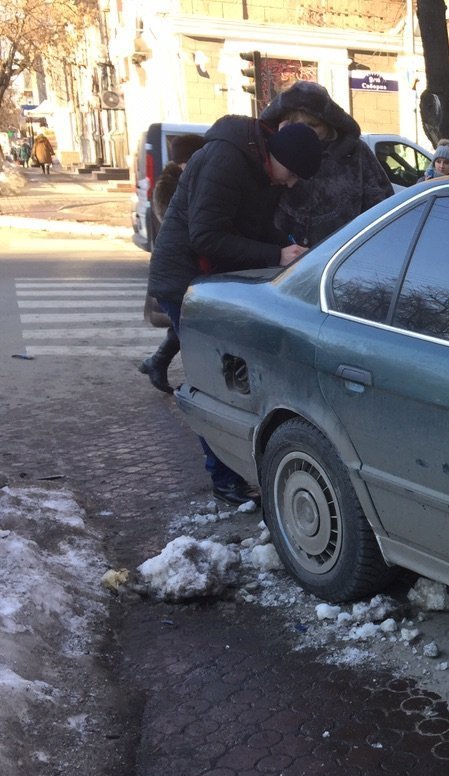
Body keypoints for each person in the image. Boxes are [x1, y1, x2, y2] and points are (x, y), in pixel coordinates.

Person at [146, 115, 323, 507]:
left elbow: (252, 226)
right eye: (292, 173)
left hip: (211, 282)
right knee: (211, 380)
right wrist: (275, 254)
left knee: (224, 376)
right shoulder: (227, 160)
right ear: (277, 156)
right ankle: (223, 478)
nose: (291, 183)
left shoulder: (260, 168)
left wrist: (290, 247)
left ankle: (230, 470)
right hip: (186, 282)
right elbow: (207, 235)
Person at [259, 81, 393, 246]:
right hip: (283, 258)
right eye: (295, 125)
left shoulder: (355, 153)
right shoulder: (271, 150)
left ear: (330, 126)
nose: (305, 132)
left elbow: (381, 204)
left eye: (313, 125)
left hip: (340, 257)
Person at [138, 133, 207, 394]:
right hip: (174, 268)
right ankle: (185, 380)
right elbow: (177, 224)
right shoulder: (169, 186)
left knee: (185, 325)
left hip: (183, 269)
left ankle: (156, 362)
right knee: (187, 329)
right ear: (185, 161)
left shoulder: (183, 182)